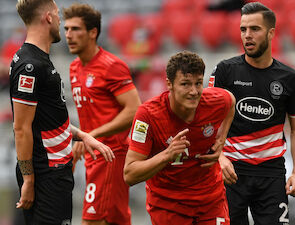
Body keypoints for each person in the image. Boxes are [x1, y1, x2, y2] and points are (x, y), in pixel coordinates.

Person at [10, 0, 115, 224]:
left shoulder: (40, 60)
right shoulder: (30, 65)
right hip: (45, 175)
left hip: (55, 173)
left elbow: (49, 120)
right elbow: (21, 128)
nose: (60, 20)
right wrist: (29, 179)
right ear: (48, 17)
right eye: (57, 15)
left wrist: (84, 135)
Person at [209, 2, 295, 225]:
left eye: (255, 29)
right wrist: (220, 158)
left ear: (271, 33)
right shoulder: (225, 71)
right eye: (243, 29)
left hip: (271, 173)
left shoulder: (289, 78)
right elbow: (206, 121)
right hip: (230, 171)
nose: (247, 35)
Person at [124, 51, 236, 225]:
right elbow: (129, 174)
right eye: (185, 84)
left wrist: (221, 141)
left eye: (198, 83)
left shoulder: (215, 101)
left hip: (211, 202)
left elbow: (231, 101)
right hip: (169, 205)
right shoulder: (147, 115)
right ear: (169, 84)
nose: (194, 91)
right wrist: (167, 155)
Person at [63, 3, 141, 225]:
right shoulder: (74, 67)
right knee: (116, 220)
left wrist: (90, 135)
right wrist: (85, 139)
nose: (69, 35)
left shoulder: (111, 66)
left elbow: (134, 109)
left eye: (76, 29)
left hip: (110, 155)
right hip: (94, 154)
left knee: (91, 220)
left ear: (93, 32)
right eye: (66, 29)